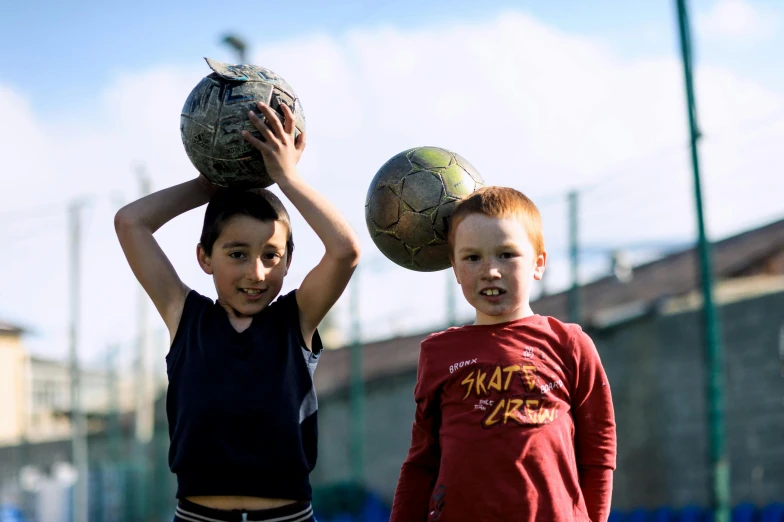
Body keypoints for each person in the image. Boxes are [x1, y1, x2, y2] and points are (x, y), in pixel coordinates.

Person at [115, 101, 361, 522]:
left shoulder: (295, 320)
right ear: (204, 257)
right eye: (237, 253)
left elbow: (345, 251)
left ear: (287, 262)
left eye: (271, 255)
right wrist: (206, 185)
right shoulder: (184, 315)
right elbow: (130, 223)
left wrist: (287, 177)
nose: (256, 271)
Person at [390, 186, 616, 522]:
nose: (490, 270)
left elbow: (599, 449)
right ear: (454, 269)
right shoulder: (437, 352)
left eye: (506, 254)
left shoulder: (569, 343)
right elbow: (421, 460)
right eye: (472, 257)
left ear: (538, 264)